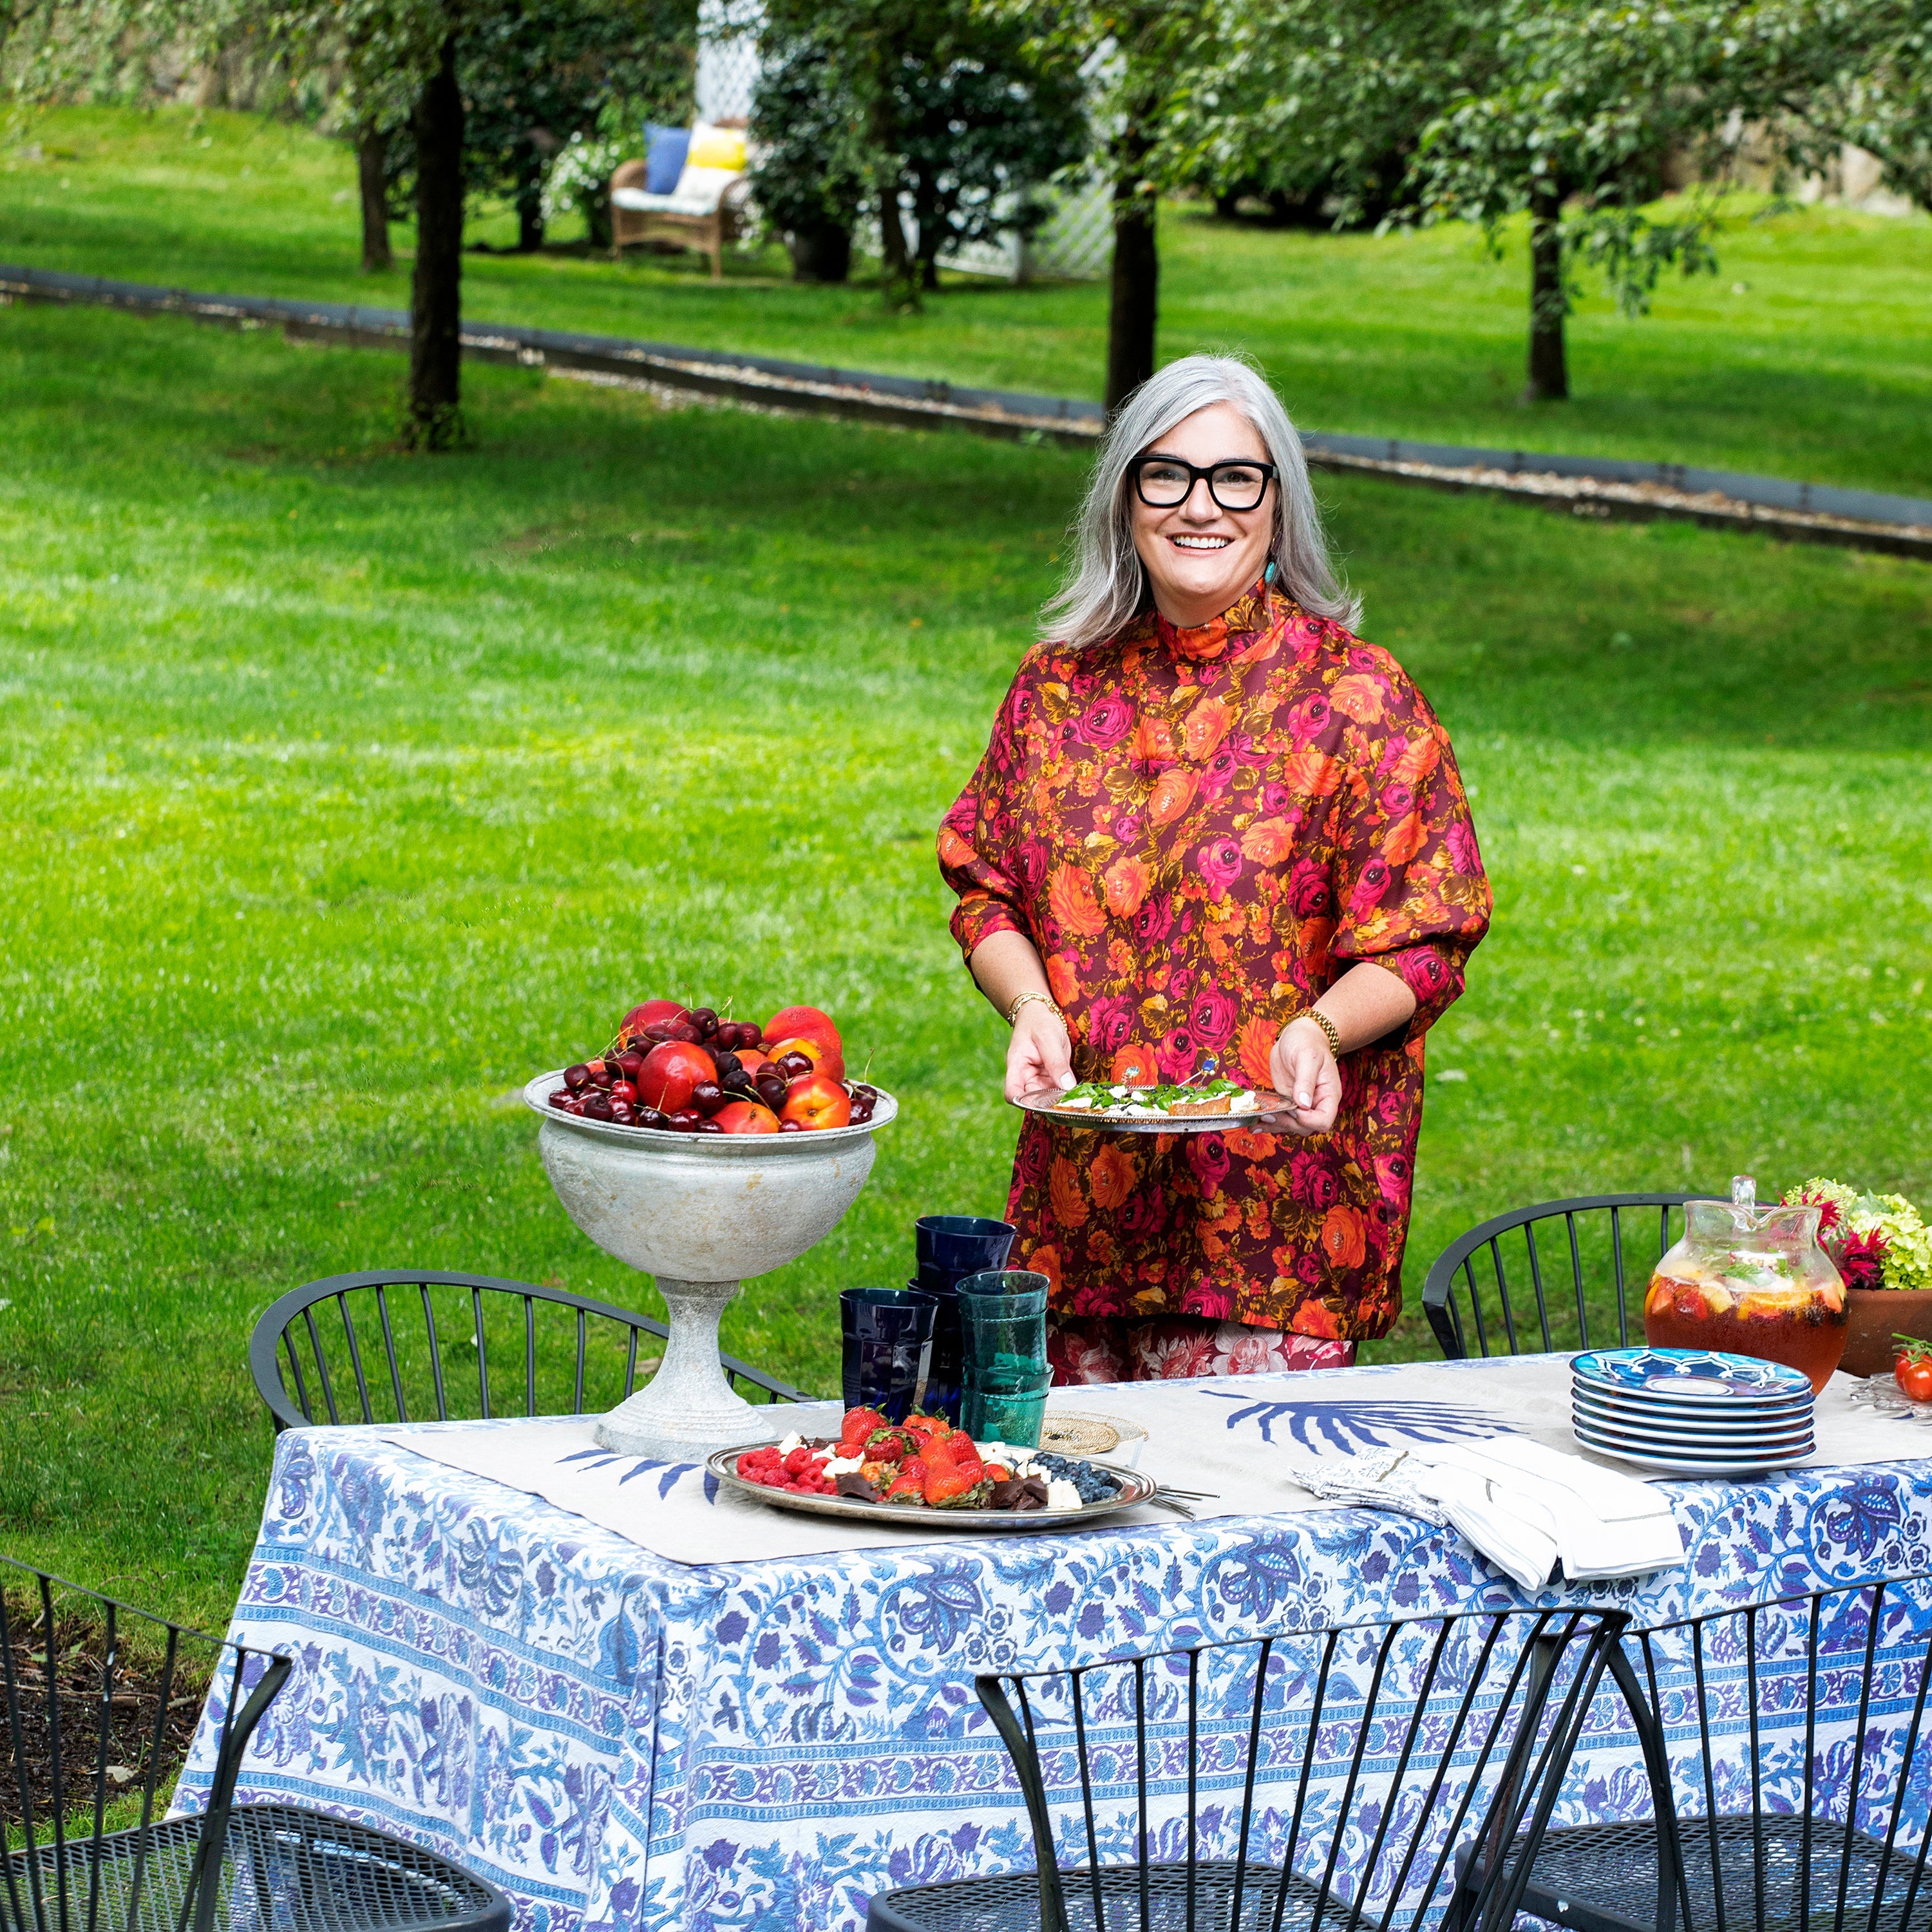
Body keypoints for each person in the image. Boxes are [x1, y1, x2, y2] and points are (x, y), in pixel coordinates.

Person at [938, 354, 1491, 1385]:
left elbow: (1426, 936)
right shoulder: (1055, 687)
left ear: (1279, 505)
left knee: (1252, 1529)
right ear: (1125, 499)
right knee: (1070, 1520)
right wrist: (1029, 1007)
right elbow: (987, 886)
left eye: (1236, 478)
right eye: (1168, 476)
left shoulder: (1358, 698)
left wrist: (1320, 1030)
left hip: (1276, 1228)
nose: (1202, 506)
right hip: (1083, 1216)